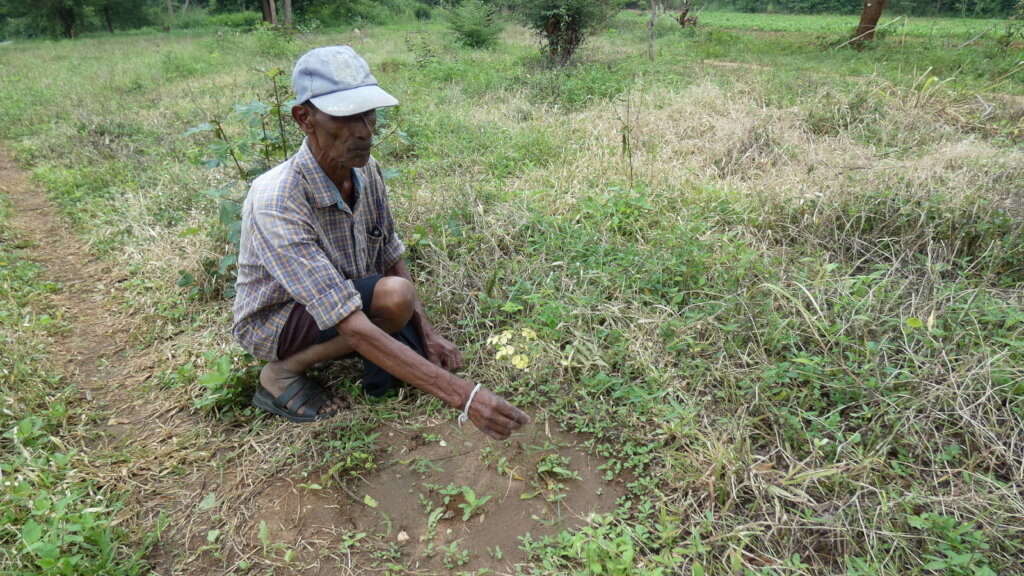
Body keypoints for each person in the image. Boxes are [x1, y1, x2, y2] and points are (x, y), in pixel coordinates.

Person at [231, 46, 528, 440]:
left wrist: (429, 333)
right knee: (393, 299)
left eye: (368, 113)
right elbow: (350, 319)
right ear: (304, 118)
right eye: (345, 116)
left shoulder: (366, 171)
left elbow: (388, 253)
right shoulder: (277, 199)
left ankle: (386, 344)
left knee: (398, 304)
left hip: (341, 297)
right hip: (280, 318)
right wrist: (465, 397)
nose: (364, 130)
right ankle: (281, 373)